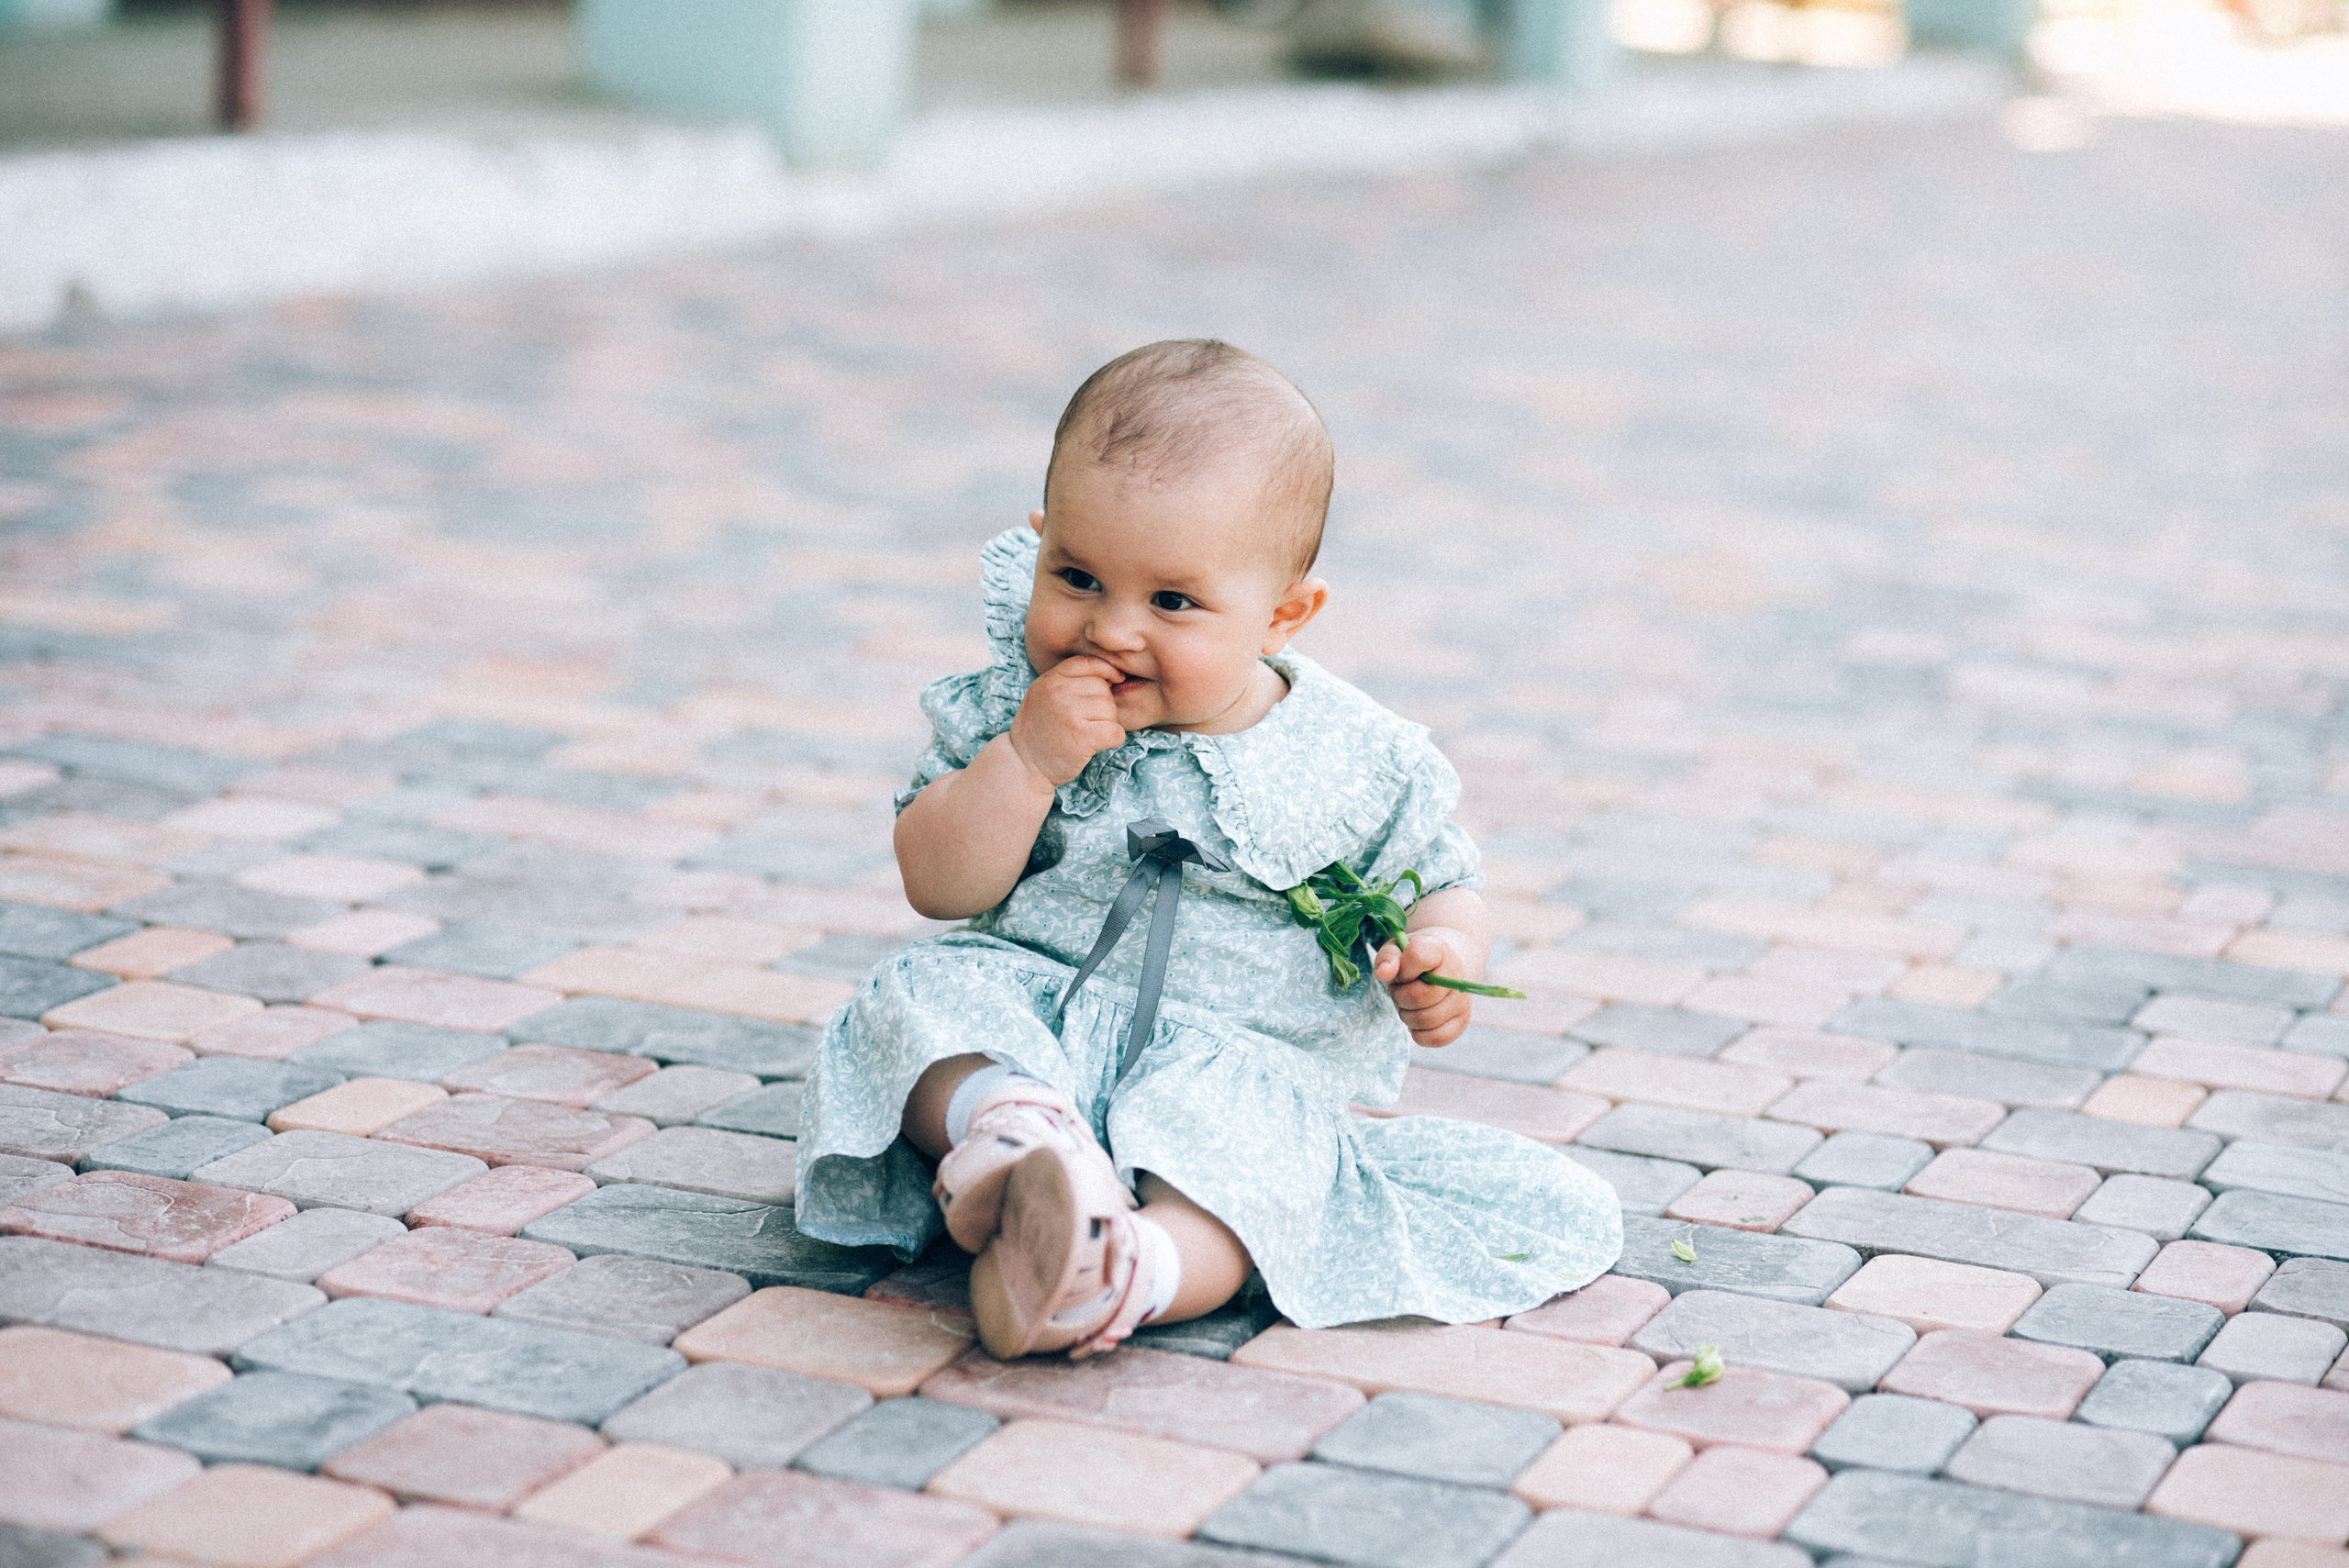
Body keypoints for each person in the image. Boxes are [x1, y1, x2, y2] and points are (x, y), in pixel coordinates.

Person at [796, 339, 1621, 1360]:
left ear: (1283, 615)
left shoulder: (1354, 757)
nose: (1112, 630)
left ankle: (1125, 1268)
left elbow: (1443, 882)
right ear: (1040, 541)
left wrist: (1443, 952)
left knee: (1255, 1174)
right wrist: (1025, 760)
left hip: (1231, 1064)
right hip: (1033, 1014)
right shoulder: (1018, 705)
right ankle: (1017, 1135)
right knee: (913, 1001)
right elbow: (938, 883)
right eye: (1080, 576)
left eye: (1172, 601)